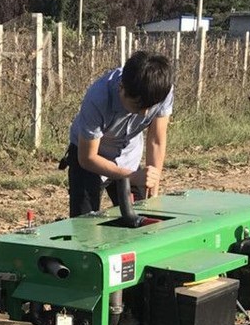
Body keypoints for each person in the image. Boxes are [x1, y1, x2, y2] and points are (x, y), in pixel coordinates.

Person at [63, 50, 174, 217]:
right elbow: (88, 158)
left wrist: (153, 187)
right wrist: (133, 177)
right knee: (84, 224)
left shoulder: (160, 90)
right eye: (137, 106)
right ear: (122, 88)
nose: (144, 114)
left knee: (141, 218)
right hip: (89, 160)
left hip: (128, 156)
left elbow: (156, 140)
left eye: (150, 107)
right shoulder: (97, 98)